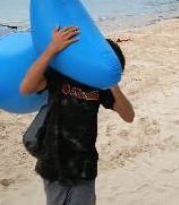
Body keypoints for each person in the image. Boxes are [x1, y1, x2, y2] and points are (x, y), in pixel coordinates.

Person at [19, 26, 135, 205]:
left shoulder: (100, 87)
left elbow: (129, 116)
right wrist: (51, 50)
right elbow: (26, 87)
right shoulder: (63, 76)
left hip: (84, 167)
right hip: (53, 164)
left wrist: (112, 83)